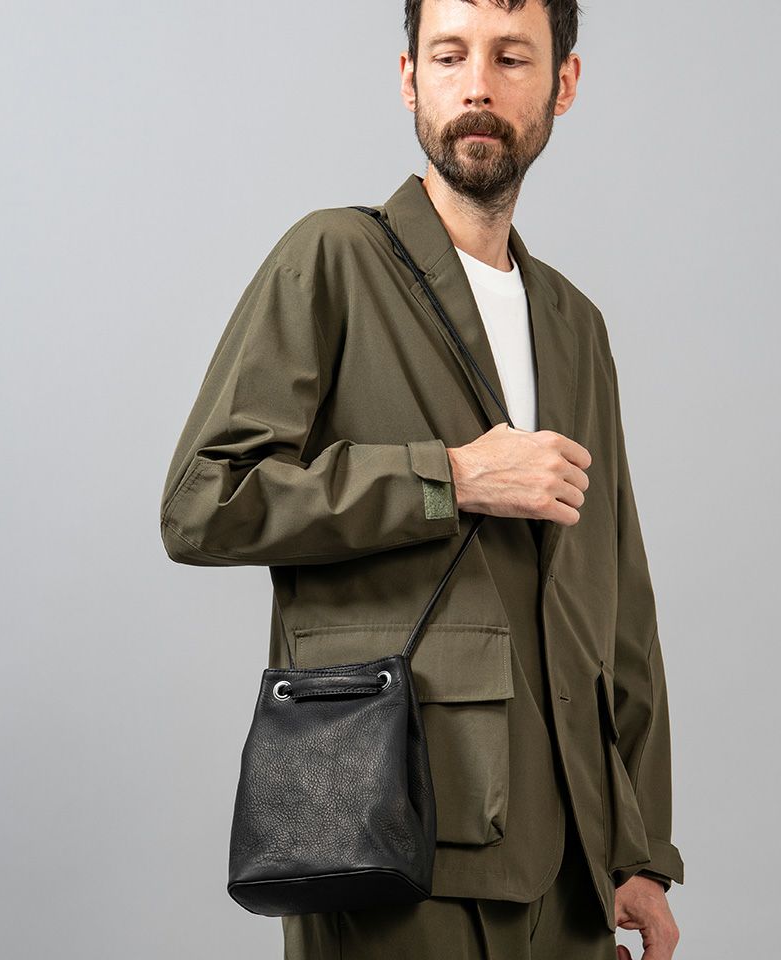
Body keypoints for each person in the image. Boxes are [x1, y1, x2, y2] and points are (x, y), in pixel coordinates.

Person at [160, 0, 685, 956]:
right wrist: (447, 477)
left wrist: (640, 848)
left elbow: (621, 606)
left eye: (511, 58)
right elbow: (204, 503)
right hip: (394, 843)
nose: (477, 86)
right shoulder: (335, 258)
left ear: (563, 84)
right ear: (410, 78)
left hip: (572, 871)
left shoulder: (576, 325)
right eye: (449, 56)